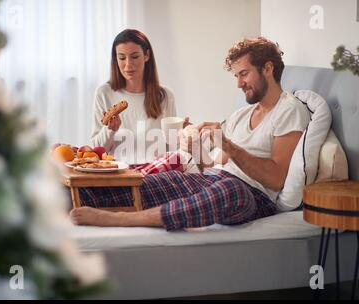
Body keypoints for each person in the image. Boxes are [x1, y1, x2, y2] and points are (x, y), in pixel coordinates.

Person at [71, 37, 310, 231]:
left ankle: (120, 220)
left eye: (244, 74)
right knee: (156, 180)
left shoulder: (289, 110)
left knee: (229, 191)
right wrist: (195, 142)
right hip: (214, 178)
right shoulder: (241, 115)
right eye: (236, 76)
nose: (239, 84)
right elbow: (209, 166)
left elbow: (276, 178)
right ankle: (70, 199)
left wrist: (227, 144)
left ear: (267, 68)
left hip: (251, 194)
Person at [91, 29, 187, 163]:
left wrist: (184, 136)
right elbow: (96, 152)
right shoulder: (104, 93)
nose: (128, 64)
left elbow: (172, 149)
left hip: (155, 175)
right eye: (122, 57)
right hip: (118, 175)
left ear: (146, 55)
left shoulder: (165, 96)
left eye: (135, 56)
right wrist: (110, 131)